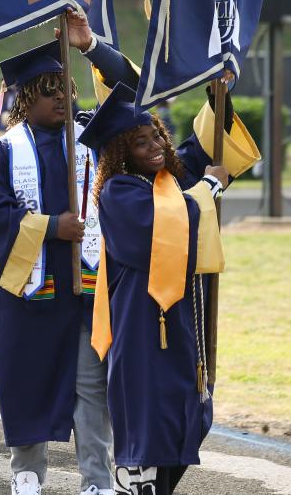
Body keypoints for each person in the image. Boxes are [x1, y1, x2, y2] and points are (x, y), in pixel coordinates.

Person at [0, 9, 141, 495]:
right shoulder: (0, 151)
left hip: (86, 290)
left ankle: (96, 479)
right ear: (26, 98)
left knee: (92, 388)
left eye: (66, 86)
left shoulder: (94, 138)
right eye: (49, 89)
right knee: (25, 380)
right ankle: (26, 473)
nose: (63, 96)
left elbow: (132, 93)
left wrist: (88, 44)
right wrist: (52, 228)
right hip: (28, 290)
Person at [81, 82, 259, 495]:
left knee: (189, 419)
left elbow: (209, 142)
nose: (155, 146)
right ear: (121, 152)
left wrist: (220, 91)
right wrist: (210, 188)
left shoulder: (169, 179)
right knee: (148, 427)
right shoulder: (119, 191)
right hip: (141, 331)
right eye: (140, 142)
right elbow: (165, 229)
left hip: (177, 327)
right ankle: (135, 485)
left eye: (157, 135)